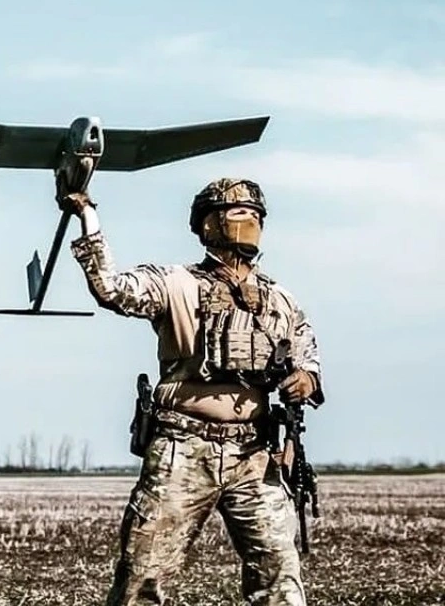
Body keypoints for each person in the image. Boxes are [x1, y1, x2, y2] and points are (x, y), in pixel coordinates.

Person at [59, 178, 324, 606]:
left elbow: (307, 356)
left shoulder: (280, 300)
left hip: (255, 456)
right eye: (238, 212)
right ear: (209, 224)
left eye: (256, 214)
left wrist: (306, 380)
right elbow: (110, 288)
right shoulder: (174, 283)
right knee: (141, 580)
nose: (250, 221)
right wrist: (88, 215)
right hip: (183, 447)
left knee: (280, 581)